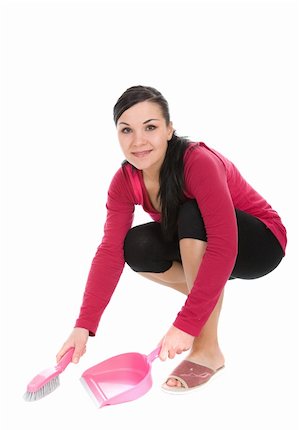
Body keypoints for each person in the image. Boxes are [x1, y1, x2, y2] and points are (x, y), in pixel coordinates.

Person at [56, 85, 287, 392]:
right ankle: (205, 297)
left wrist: (186, 324)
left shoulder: (197, 162)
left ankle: (207, 351)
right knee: (135, 246)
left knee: (190, 213)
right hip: (208, 246)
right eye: (127, 130)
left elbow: (223, 242)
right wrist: (83, 325)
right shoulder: (124, 181)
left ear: (169, 129)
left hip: (260, 243)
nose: (138, 141)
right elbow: (109, 252)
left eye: (150, 127)